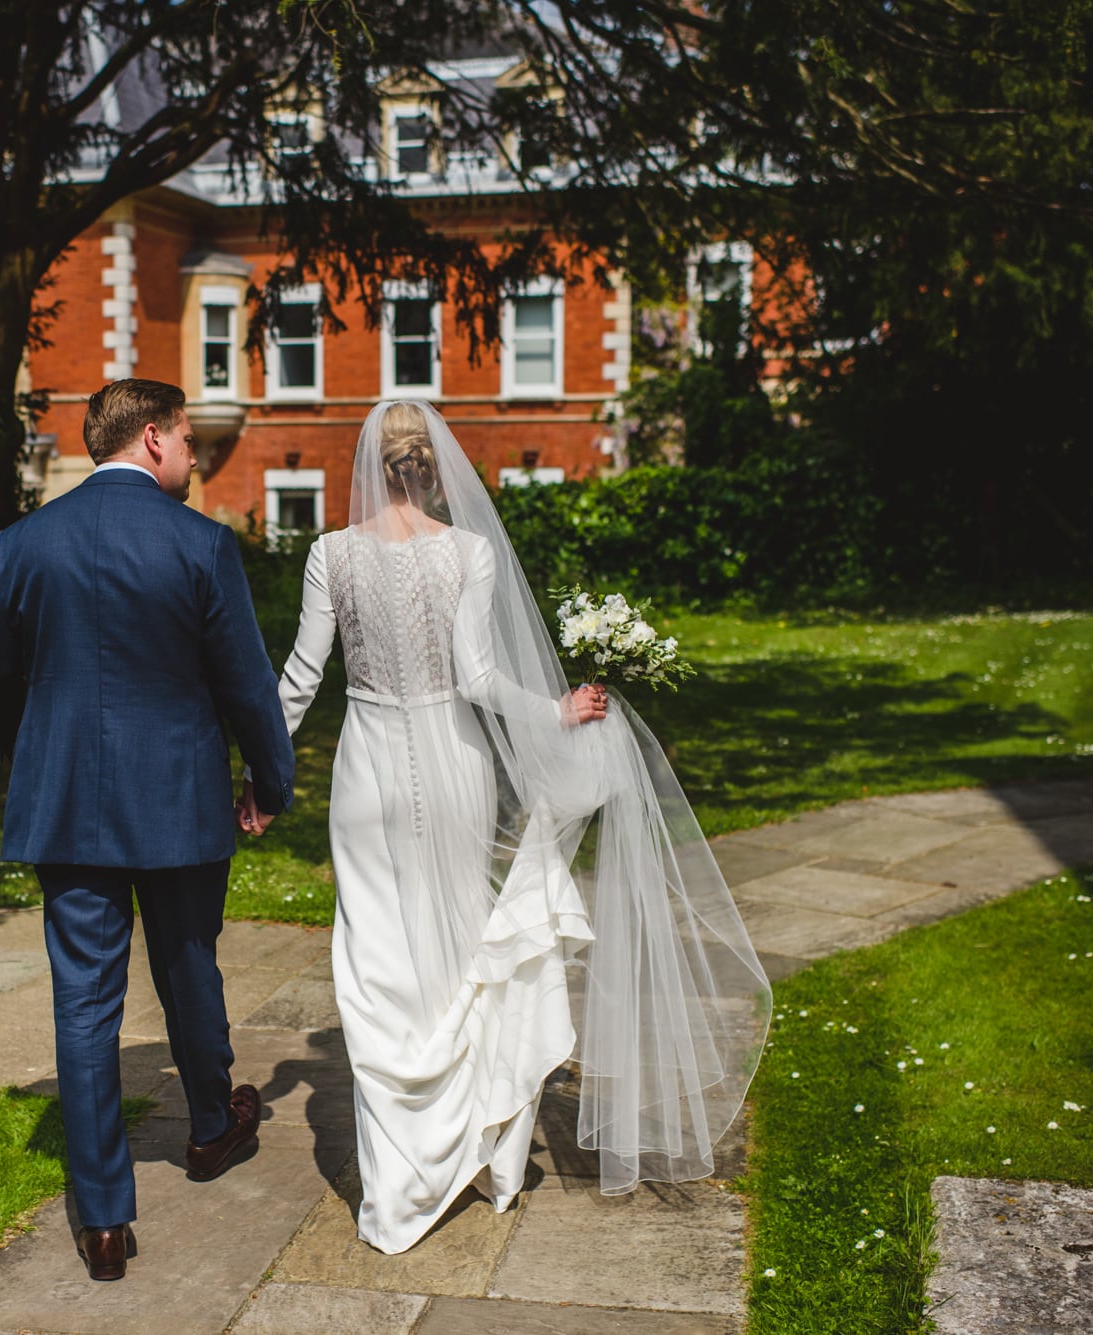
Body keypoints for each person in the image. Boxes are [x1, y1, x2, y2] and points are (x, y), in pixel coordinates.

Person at [238, 400, 771, 1254]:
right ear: (433, 466)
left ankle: (396, 1188)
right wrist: (553, 709)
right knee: (460, 954)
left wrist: (262, 779)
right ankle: (486, 1149)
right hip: (455, 765)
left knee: (373, 964)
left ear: (369, 465)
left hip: (366, 772)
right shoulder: (469, 551)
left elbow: (300, 677)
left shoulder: (328, 554)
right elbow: (481, 679)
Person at [0, 378, 295, 1282]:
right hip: (180, 800)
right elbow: (245, 683)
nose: (193, 456)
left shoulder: (24, 542)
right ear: (152, 438)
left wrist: (31, 748)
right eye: (188, 440)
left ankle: (104, 1220)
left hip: (66, 802)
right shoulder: (201, 545)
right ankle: (207, 1125)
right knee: (189, 967)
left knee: (84, 1002)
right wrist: (270, 784)